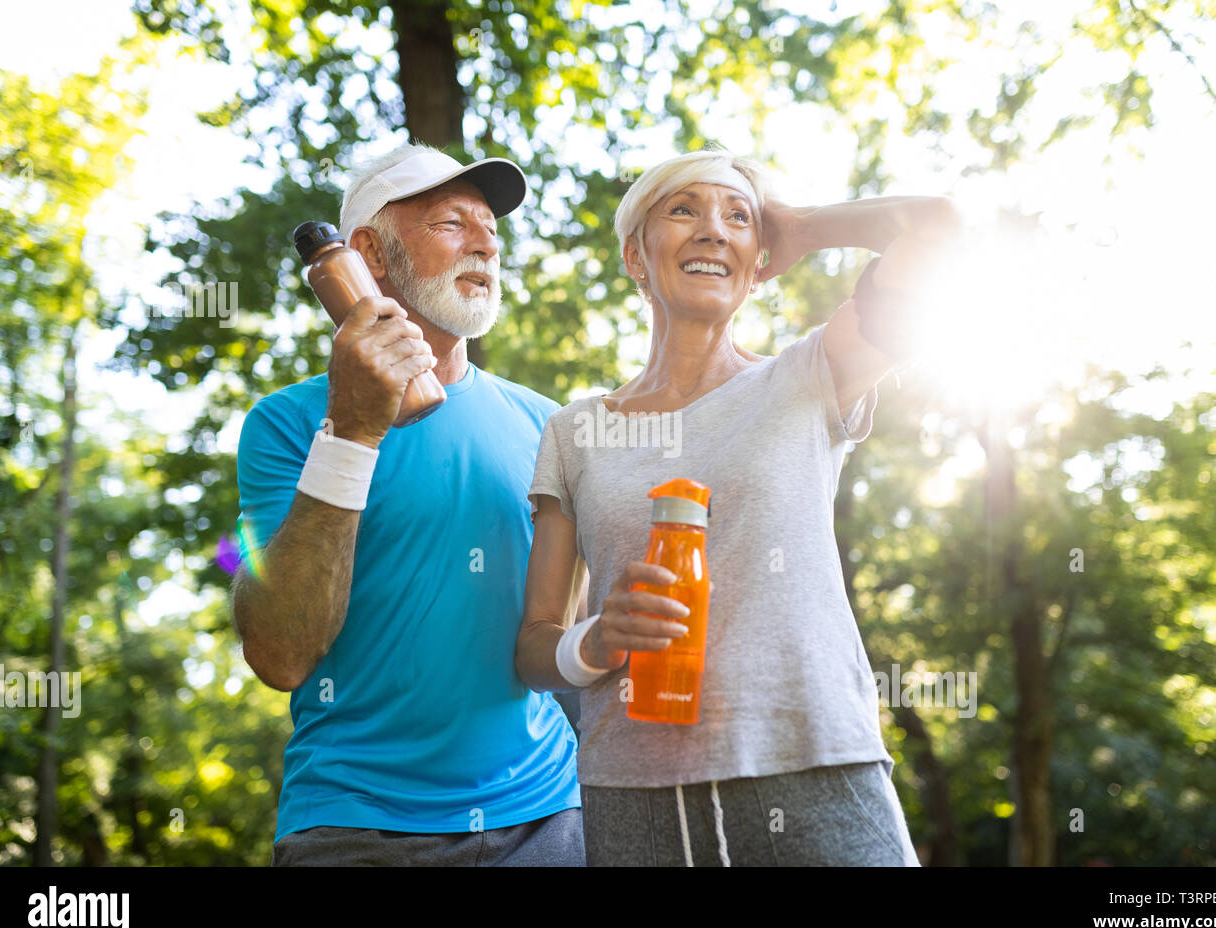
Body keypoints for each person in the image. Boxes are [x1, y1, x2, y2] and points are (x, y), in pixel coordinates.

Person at [515, 149, 959, 866]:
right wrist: (595, 641)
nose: (712, 231)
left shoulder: (813, 374)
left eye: (738, 219)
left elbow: (939, 225)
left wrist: (802, 227)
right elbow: (536, 646)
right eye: (683, 210)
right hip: (637, 793)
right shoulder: (574, 432)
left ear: (760, 263)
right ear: (636, 255)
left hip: (815, 761)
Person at [233, 142, 583, 866]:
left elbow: (567, 634)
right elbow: (282, 654)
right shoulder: (287, 423)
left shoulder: (550, 424)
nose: (486, 241)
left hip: (547, 817)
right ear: (369, 256)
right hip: (355, 827)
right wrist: (354, 429)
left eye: (491, 228)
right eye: (453, 223)